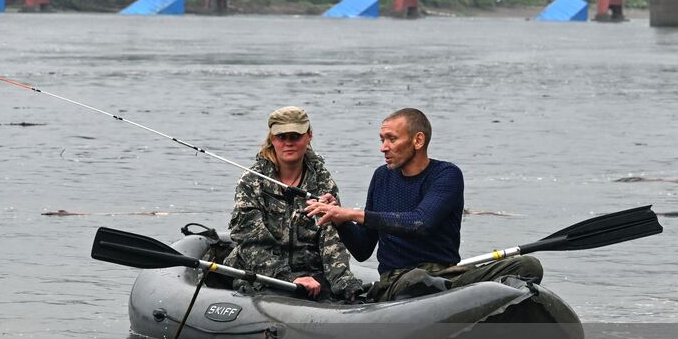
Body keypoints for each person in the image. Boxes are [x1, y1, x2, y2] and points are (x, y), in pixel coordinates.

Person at [304, 107, 542, 302]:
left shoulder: (446, 174)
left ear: (418, 140)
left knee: (529, 265)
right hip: (399, 280)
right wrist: (341, 221)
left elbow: (420, 223)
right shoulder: (381, 176)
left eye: (391, 139)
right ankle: (455, 299)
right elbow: (363, 250)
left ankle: (464, 299)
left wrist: (352, 213)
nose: (383, 147)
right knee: (417, 279)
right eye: (382, 139)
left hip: (447, 274)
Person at [224, 106, 365, 301]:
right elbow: (250, 244)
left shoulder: (323, 182)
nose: (288, 143)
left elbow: (331, 242)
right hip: (262, 274)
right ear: (272, 139)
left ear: (309, 136)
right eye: (282, 137)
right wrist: (290, 278)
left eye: (295, 136)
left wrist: (345, 286)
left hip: (311, 274)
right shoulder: (251, 182)